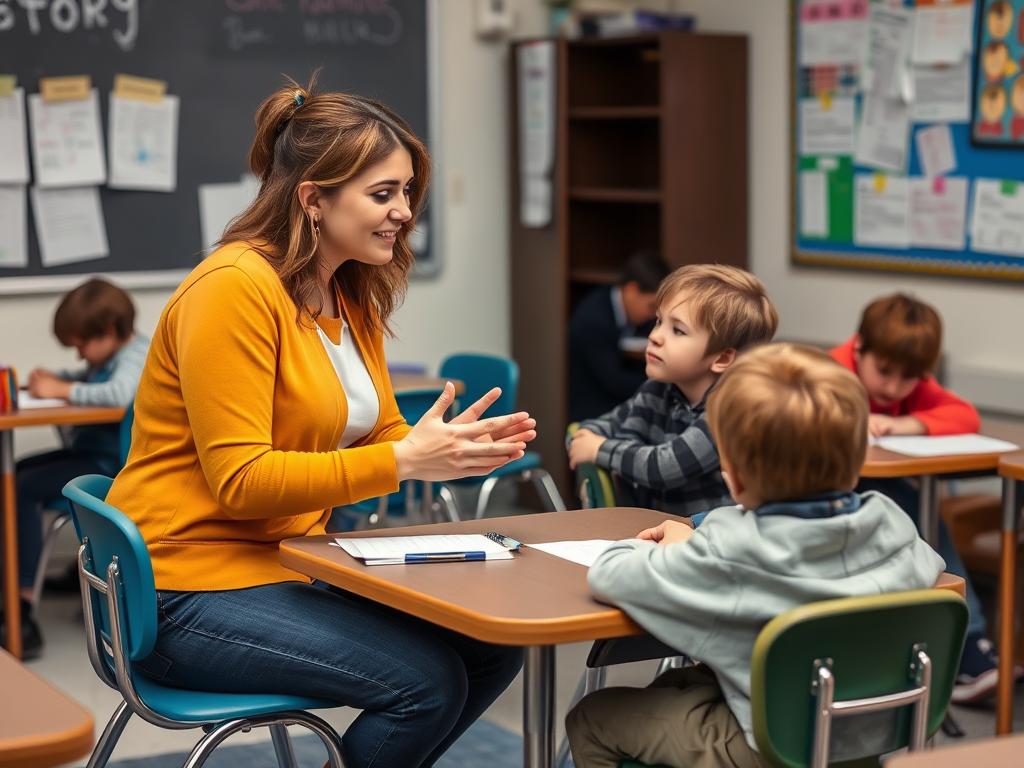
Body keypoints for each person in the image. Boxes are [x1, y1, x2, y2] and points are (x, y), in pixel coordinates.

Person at [106, 79, 534, 768]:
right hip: (181, 587)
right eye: (383, 193)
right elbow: (242, 482)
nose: (404, 212)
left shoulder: (348, 289)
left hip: (283, 563)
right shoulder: (232, 288)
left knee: (491, 647)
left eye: (407, 192)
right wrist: (404, 462)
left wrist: (444, 447)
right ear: (313, 199)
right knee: (425, 685)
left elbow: (382, 431)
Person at [566, 343, 946, 768]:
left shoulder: (729, 550)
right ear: (857, 461)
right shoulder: (892, 524)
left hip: (769, 747)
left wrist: (680, 544)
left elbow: (609, 572)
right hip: (868, 735)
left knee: (592, 718)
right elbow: (932, 567)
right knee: (682, 682)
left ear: (736, 480)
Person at [831, 293, 1009, 703]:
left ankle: (962, 645)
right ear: (859, 348)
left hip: (883, 491)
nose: (894, 387)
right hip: (828, 494)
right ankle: (965, 645)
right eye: (884, 372)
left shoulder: (904, 377)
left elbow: (965, 415)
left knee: (914, 513)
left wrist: (906, 423)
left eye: (909, 378)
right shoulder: (829, 372)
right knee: (909, 511)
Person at [5, 278, 148, 659]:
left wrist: (61, 390)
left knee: (22, 487)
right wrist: (57, 380)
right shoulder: (109, 357)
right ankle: (18, 582)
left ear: (109, 330)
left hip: (110, 468)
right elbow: (89, 378)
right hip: (91, 456)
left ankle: (22, 608)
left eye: (82, 345)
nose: (80, 355)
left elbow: (118, 392)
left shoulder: (137, 355)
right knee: (14, 474)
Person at [567, 264, 777, 518]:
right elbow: (602, 425)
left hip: (708, 535)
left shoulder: (728, 411)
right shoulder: (658, 389)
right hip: (653, 527)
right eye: (659, 321)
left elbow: (665, 466)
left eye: (677, 330)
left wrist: (599, 449)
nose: (654, 336)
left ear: (722, 358)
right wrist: (585, 437)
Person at [568, 250, 670, 422]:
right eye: (651, 306)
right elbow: (615, 381)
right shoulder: (593, 319)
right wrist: (665, 381)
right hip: (595, 411)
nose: (653, 315)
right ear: (631, 290)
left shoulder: (634, 311)